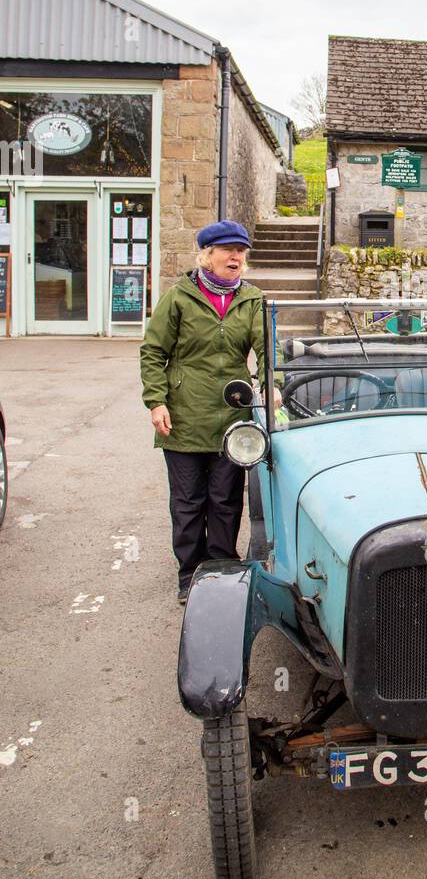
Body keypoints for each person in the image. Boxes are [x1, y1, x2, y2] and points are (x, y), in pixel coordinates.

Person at [140, 220, 281, 604]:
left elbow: (269, 348)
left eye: (241, 251)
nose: (235, 257)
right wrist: (156, 400)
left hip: (230, 416)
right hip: (182, 416)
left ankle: (220, 567)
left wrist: (270, 383)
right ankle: (189, 574)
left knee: (225, 498)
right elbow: (153, 352)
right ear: (207, 255)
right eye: (227, 250)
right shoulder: (179, 297)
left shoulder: (252, 299)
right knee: (188, 501)